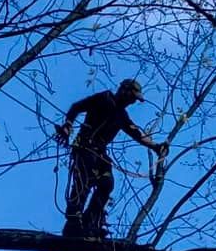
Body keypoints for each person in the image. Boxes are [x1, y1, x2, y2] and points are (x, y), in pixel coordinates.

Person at [55, 79, 165, 239]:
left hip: (100, 152)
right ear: (124, 90)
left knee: (107, 183)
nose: (132, 102)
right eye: (132, 97)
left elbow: (137, 134)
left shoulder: (122, 115)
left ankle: (90, 222)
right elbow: (76, 107)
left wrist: (156, 146)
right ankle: (73, 220)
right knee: (85, 179)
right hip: (85, 146)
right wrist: (67, 125)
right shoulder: (104, 98)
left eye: (135, 100)